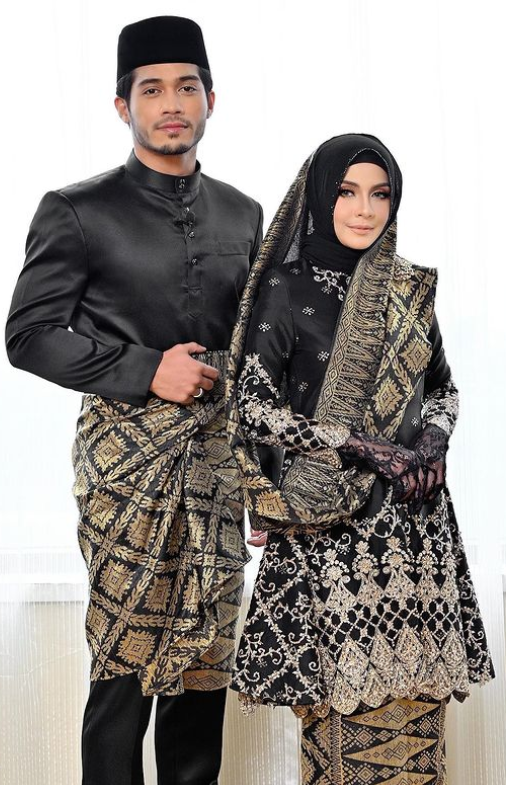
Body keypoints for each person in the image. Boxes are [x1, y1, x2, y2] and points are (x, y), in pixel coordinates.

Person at [5, 15, 262, 785]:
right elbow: (28, 335)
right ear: (124, 106)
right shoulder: (76, 210)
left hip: (216, 468)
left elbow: (258, 357)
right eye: (152, 90)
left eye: (186, 87)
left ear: (212, 98)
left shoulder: (243, 214)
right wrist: (146, 368)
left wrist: (266, 480)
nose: (171, 103)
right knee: (123, 673)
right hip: (125, 472)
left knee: (203, 671)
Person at [226, 133, 494, 784]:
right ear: (320, 197)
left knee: (417, 723)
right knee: (341, 724)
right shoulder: (285, 289)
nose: (365, 209)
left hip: (415, 531)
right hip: (329, 530)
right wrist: (355, 443)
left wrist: (432, 441)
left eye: (381, 194)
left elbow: (443, 388)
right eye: (347, 192)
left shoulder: (407, 288)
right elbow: (251, 406)